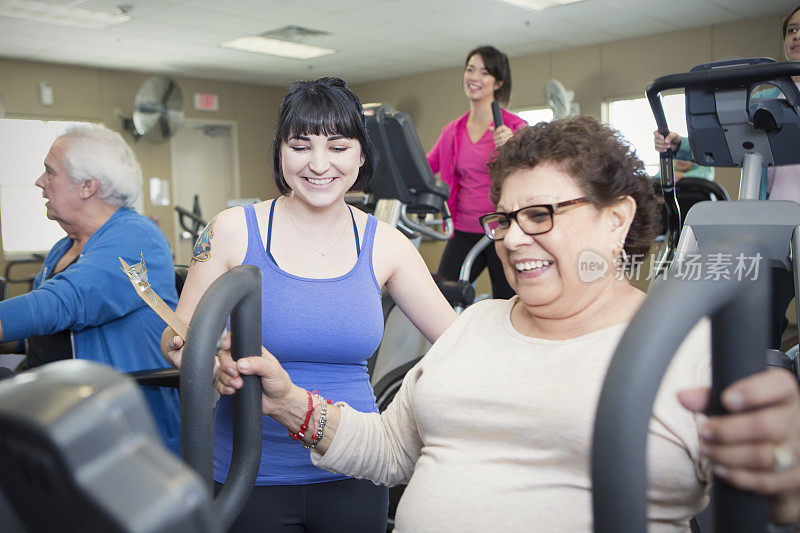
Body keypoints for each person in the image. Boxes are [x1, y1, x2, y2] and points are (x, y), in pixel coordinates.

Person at [218, 116, 800, 531]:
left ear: (616, 219)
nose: (515, 238)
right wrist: (291, 401)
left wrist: (787, 464)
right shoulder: (473, 327)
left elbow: (779, 486)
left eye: (542, 215)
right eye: (505, 219)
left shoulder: (691, 350)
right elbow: (391, 449)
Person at [161, 77, 456, 532]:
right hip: (248, 471)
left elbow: (458, 344)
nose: (319, 165)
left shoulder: (387, 245)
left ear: (361, 154)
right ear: (280, 151)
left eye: (338, 147)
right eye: (301, 146)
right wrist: (211, 362)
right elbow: (176, 339)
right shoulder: (231, 230)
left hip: (354, 466)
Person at [0, 124, 180, 453]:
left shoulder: (137, 238)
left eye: (49, 172)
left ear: (87, 186)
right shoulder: (66, 246)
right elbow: (52, 334)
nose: (40, 182)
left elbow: (65, 303)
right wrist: (11, 341)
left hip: (116, 421)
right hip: (59, 399)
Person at [654, 4, 800, 349]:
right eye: (791, 30)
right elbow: (732, 140)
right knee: (758, 319)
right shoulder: (766, 94)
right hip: (772, 224)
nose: (797, 36)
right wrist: (679, 145)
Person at [428, 45, 527, 299]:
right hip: (463, 229)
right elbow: (426, 167)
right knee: (441, 299)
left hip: (502, 229)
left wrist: (514, 147)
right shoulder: (453, 130)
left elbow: (535, 172)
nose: (474, 77)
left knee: (510, 303)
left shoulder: (515, 127)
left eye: (484, 72)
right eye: (470, 70)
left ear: (498, 82)